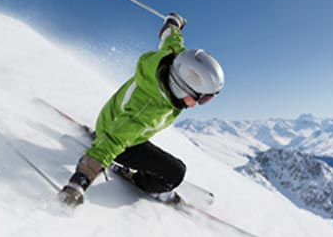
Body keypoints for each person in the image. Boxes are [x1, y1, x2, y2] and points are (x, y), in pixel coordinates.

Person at [58, 13, 225, 206]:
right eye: (202, 98)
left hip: (113, 121)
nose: (199, 104)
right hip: (121, 140)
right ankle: (136, 179)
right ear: (182, 86)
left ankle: (102, 137)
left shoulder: (172, 59)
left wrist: (174, 23)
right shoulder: (148, 108)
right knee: (176, 173)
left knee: (125, 135)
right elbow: (115, 140)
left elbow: (171, 37)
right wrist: (78, 184)